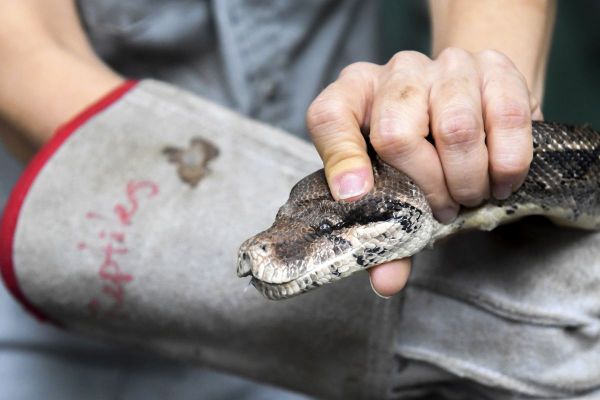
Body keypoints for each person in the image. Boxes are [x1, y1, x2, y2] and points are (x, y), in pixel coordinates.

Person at [4, 1, 598, 399]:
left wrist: (475, 101)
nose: (263, 251)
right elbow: (23, 53)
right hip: (92, 258)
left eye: (330, 232)